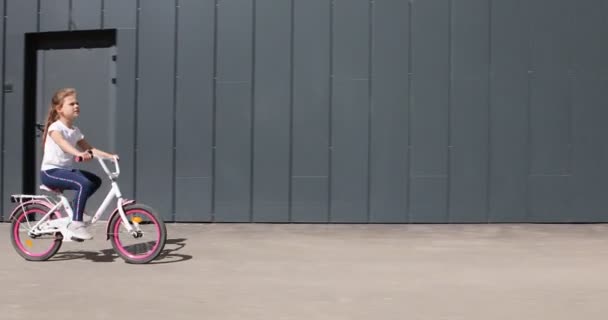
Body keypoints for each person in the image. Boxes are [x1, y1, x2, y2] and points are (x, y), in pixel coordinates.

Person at [39, 88, 118, 240]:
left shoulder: (75, 131)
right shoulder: (55, 128)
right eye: (71, 104)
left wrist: (110, 156)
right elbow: (62, 144)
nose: (76, 106)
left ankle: (76, 209)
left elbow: (90, 149)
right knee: (83, 183)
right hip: (50, 172)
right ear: (59, 109)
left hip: (65, 171)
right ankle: (76, 223)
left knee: (95, 181)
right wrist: (78, 154)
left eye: (77, 103)